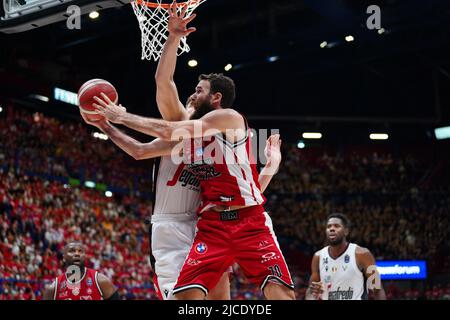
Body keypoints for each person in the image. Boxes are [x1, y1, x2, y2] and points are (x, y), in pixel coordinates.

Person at [91, 2, 295, 301]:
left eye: (198, 91)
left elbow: (174, 131)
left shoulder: (228, 117)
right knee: (187, 300)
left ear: (216, 98)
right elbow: (147, 133)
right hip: (209, 223)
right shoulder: (186, 139)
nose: (191, 94)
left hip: (247, 222)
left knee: (278, 295)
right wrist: (173, 38)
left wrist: (121, 117)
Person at [306, 213, 386, 300]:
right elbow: (311, 291)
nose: (332, 229)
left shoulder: (362, 254)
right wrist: (312, 294)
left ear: (346, 231)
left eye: (336, 226)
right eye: (329, 227)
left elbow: (378, 289)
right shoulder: (318, 257)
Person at [42, 242, 119, 300]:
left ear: (84, 256)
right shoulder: (53, 289)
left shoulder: (101, 281)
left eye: (80, 251)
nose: (77, 254)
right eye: (72, 251)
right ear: (64, 257)